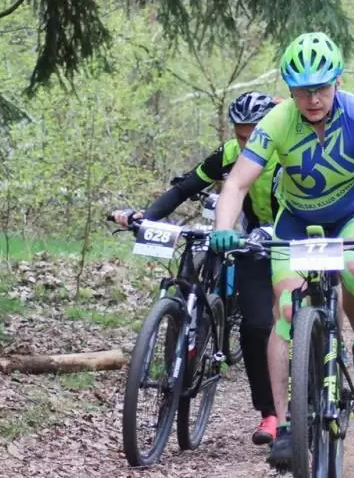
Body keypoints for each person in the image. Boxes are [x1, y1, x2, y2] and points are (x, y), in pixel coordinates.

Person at [208, 32, 354, 467]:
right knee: (286, 310)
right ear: (290, 90)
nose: (313, 99)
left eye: (321, 88)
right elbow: (237, 183)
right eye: (302, 90)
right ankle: (286, 423)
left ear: (337, 82)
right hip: (297, 222)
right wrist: (223, 230)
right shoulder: (277, 121)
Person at [111, 91, 281, 445]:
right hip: (252, 237)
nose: (246, 143)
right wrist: (145, 215)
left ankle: (310, 375)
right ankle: (268, 411)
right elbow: (186, 187)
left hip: (289, 236)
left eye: (253, 135)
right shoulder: (230, 153)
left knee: (281, 317)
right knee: (254, 326)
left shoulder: (288, 152)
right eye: (240, 135)